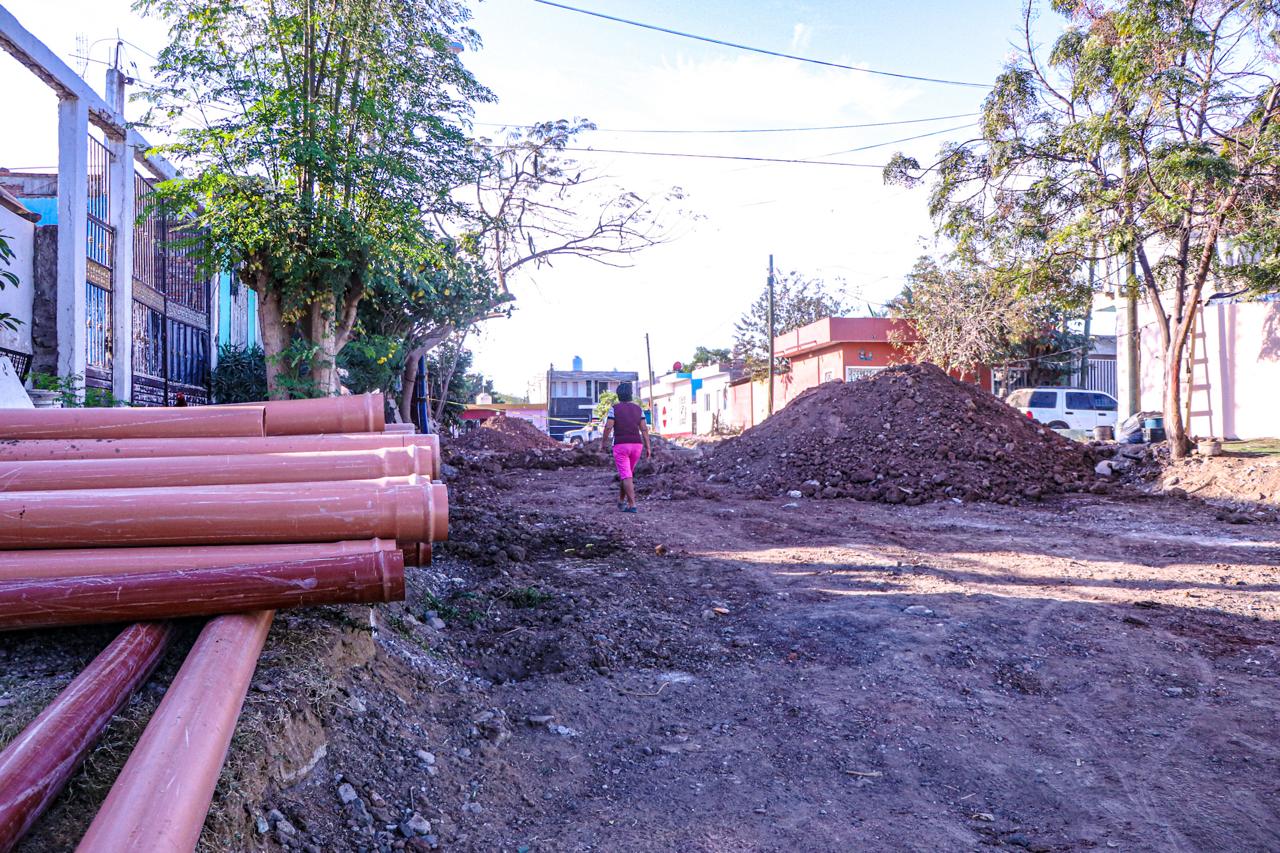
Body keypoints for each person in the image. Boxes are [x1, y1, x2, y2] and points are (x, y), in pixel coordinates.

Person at [600, 382, 651, 513]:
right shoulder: (638, 409)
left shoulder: (614, 408)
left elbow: (609, 426)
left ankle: (632, 505)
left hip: (621, 445)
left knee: (626, 475)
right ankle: (621, 501)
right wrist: (648, 447)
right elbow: (644, 429)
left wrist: (603, 442)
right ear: (631, 395)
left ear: (618, 395)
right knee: (626, 474)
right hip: (637, 445)